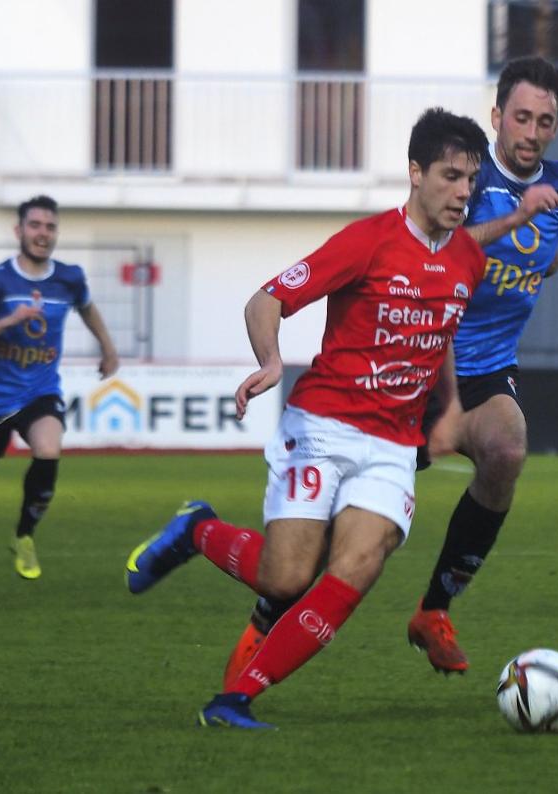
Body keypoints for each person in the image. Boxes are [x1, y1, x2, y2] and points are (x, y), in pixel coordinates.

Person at [218, 56, 558, 683]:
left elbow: (538, 258)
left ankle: (434, 609)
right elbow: (446, 248)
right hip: (413, 371)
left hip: (485, 368)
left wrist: (538, 260)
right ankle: (265, 612)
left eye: (544, 121)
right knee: (309, 560)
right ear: (497, 116)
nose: (531, 131)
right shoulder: (465, 179)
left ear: (556, 126)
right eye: (520, 116)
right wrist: (517, 221)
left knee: (506, 448)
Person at [124, 108, 490, 729]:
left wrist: (449, 405)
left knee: (359, 565)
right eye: (451, 176)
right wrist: (270, 361)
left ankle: (235, 699)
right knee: (286, 579)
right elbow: (267, 297)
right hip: (320, 426)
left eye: (470, 181)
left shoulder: (467, 263)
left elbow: (440, 332)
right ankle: (198, 530)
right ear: (414, 172)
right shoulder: (367, 241)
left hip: (392, 446)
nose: (463, 192)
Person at [0, 195, 119, 592]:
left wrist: (108, 347)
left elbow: (87, 308)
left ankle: (24, 536)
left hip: (39, 390)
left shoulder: (68, 278)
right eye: (35, 225)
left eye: (49, 227)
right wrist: (11, 319)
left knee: (49, 449)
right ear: (19, 231)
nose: (42, 234)